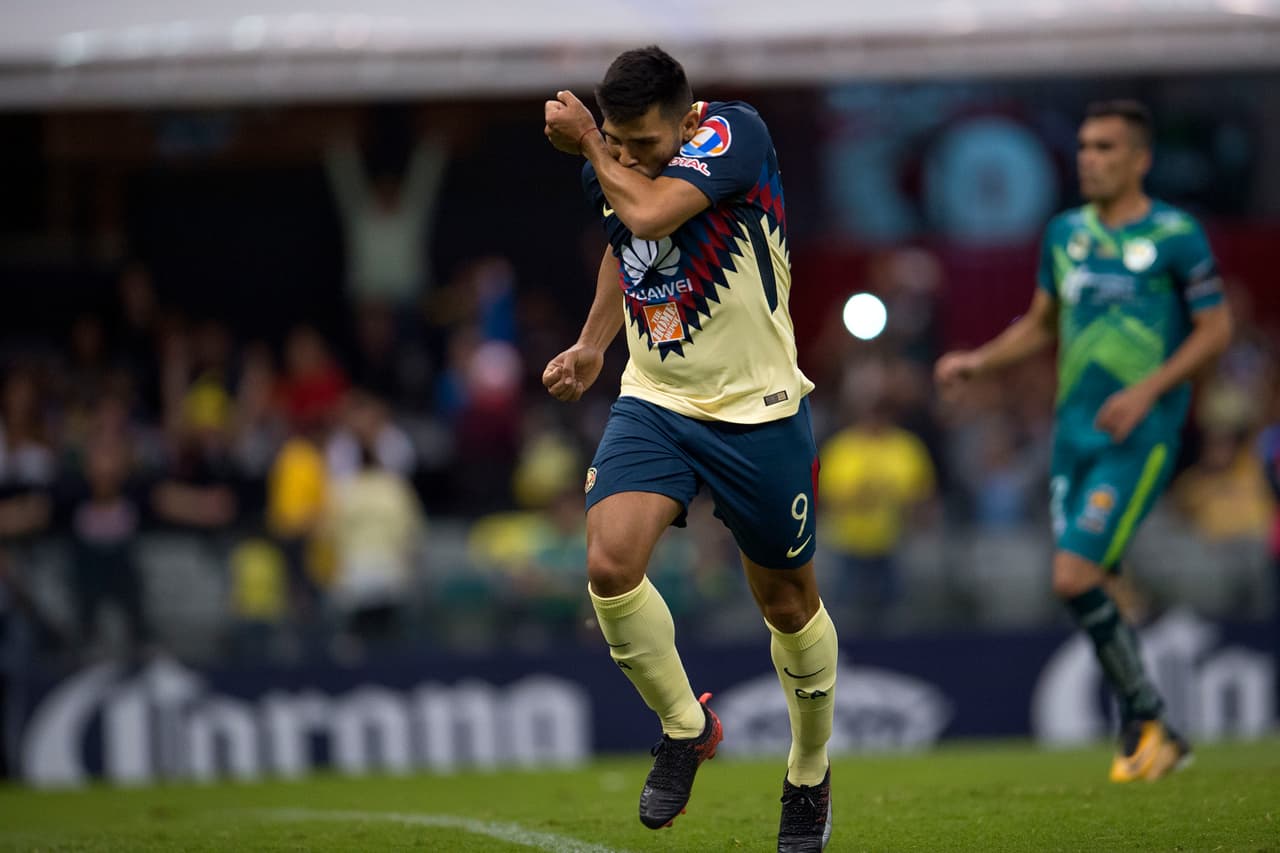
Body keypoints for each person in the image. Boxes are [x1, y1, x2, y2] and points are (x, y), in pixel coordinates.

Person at [542, 46, 836, 851]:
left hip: (760, 410)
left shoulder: (736, 134)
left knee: (786, 603)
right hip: (658, 400)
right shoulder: (614, 160)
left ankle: (808, 775)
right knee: (607, 564)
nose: (628, 154)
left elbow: (645, 212)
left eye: (644, 141)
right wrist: (596, 343)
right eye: (616, 138)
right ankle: (686, 725)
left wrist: (597, 151)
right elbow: (622, 242)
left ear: (688, 119)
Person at [935, 100, 1233, 782]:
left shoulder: (1176, 234)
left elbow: (1215, 330)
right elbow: (1042, 323)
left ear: (1139, 159)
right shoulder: (1065, 233)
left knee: (1072, 574)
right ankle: (1154, 724)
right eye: (1084, 148)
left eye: (1105, 147)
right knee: (1079, 583)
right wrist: (979, 360)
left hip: (1139, 430)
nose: (1089, 159)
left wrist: (1146, 392)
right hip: (1073, 433)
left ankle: (1146, 718)